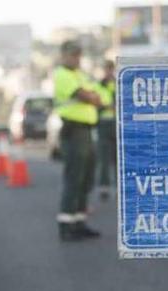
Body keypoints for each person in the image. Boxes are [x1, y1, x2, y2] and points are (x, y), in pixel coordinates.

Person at [52, 40, 103, 241]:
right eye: (72, 55)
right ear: (63, 55)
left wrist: (92, 96)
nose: (76, 58)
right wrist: (91, 96)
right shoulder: (62, 75)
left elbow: (100, 98)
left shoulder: (80, 75)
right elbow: (86, 96)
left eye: (78, 55)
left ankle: (79, 222)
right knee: (74, 178)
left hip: (87, 131)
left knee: (86, 179)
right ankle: (66, 225)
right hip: (72, 132)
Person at [94, 60, 116, 202]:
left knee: (118, 158)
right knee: (104, 158)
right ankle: (104, 189)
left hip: (116, 123)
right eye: (106, 69)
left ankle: (121, 187)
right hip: (103, 124)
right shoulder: (98, 86)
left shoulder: (118, 82)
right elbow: (96, 104)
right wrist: (107, 107)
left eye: (110, 69)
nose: (108, 71)